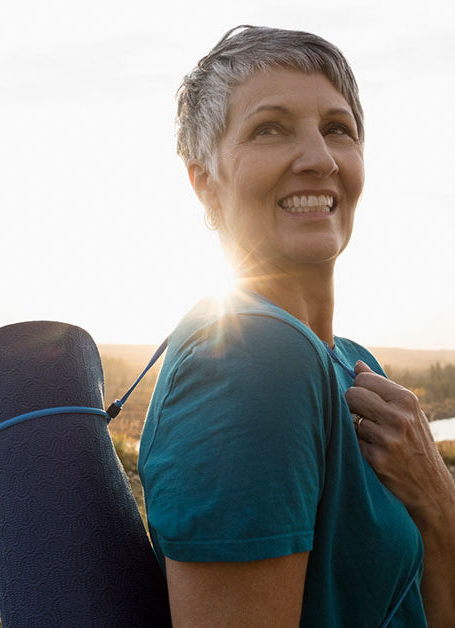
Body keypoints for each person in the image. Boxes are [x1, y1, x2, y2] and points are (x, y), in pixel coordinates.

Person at [138, 25, 455, 627]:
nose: (319, 158)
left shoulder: (354, 363)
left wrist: (438, 504)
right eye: (270, 129)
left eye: (338, 129)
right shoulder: (250, 360)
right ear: (206, 182)